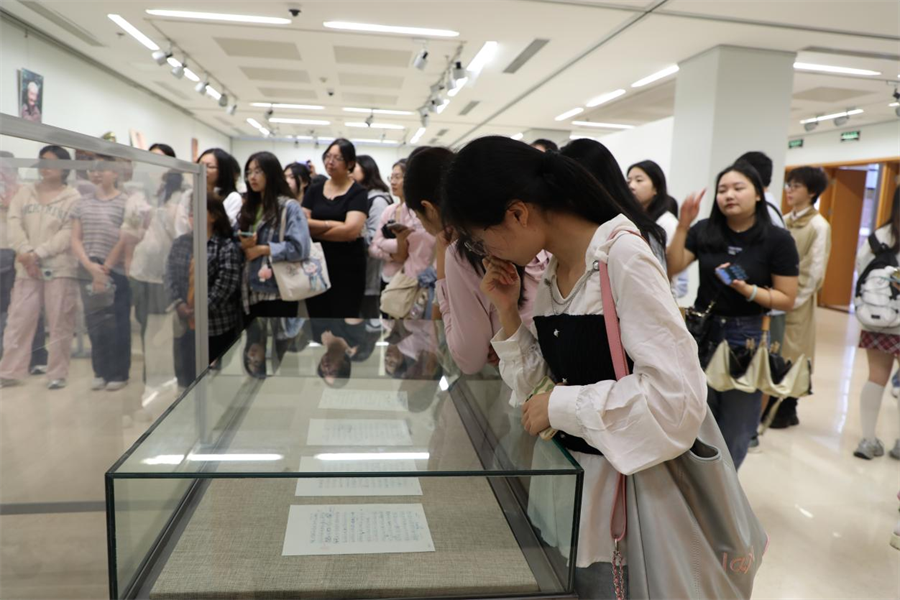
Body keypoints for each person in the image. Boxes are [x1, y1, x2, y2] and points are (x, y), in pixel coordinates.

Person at [440, 137, 706, 599]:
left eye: (481, 239)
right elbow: (539, 394)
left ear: (517, 213)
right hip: (567, 499)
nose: (485, 253)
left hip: (620, 514)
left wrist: (559, 406)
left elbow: (676, 401)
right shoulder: (555, 271)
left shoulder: (622, 257)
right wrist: (507, 310)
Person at [667, 162, 799, 468]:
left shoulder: (777, 239)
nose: (729, 195)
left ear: (758, 194)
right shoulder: (704, 230)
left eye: (738, 188)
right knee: (697, 419)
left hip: (746, 336)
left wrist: (747, 290)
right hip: (702, 332)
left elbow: (787, 298)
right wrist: (683, 224)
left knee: (737, 427)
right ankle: (699, 487)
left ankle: (726, 488)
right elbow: (672, 267)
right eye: (722, 189)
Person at [405, 146, 548, 373]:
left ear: (428, 208)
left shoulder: (460, 252)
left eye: (417, 216)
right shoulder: (524, 234)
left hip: (522, 377)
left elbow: (468, 360)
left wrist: (443, 267)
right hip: (540, 367)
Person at [0, 146, 80, 390]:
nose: (45, 167)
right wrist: (25, 252)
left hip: (59, 267)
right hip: (26, 267)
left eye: (52, 162)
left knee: (60, 322)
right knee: (19, 320)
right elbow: (14, 223)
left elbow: (68, 233)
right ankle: (10, 371)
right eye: (42, 161)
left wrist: (38, 253)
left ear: (64, 167)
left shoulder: (73, 197)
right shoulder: (25, 192)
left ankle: (57, 373)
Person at [123, 143, 190, 390]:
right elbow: (129, 234)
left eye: (159, 159)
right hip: (141, 272)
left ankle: (176, 379)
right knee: (146, 329)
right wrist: (128, 265)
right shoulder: (139, 195)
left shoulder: (183, 194)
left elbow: (183, 232)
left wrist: (165, 213)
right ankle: (151, 380)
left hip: (170, 274)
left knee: (171, 329)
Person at [769, 166, 832, 430]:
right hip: (776, 300)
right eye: (789, 185)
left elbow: (814, 272)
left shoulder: (819, 226)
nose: (790, 190)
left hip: (798, 303)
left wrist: (790, 299)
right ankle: (771, 404)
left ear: (812, 192)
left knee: (795, 353)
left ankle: (788, 408)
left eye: (796, 186)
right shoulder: (784, 219)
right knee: (775, 351)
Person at [166, 199, 244, 387]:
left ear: (214, 216)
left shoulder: (225, 246)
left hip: (216, 325)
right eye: (191, 213)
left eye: (198, 212)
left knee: (216, 384)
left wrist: (201, 309)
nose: (192, 217)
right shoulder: (181, 243)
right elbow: (169, 276)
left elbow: (225, 285)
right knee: (186, 380)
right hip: (185, 324)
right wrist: (179, 304)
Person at [71, 155, 132, 391]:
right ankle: (100, 371)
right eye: (92, 170)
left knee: (117, 321)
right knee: (95, 322)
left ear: (115, 173)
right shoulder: (82, 203)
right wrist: (89, 265)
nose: (96, 174)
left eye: (102, 169)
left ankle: (119, 373)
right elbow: (76, 238)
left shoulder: (126, 202)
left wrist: (106, 266)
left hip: (116, 269)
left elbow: (125, 237)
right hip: (88, 268)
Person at [237, 151, 311, 322]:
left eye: (258, 171)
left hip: (278, 290)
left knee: (276, 337)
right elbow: (234, 240)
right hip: (249, 287)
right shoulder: (250, 207)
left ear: (271, 173)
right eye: (249, 172)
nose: (252, 177)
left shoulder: (289, 207)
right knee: (253, 337)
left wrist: (264, 249)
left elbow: (300, 248)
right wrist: (243, 244)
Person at [854, 186, 900, 460]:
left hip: (876, 319)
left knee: (876, 377)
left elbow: (862, 270)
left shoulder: (877, 237)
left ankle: (868, 441)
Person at [302, 139, 368, 318]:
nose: (330, 162)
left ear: (350, 163)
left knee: (345, 320)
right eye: (328, 156)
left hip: (348, 268)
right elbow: (302, 224)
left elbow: (351, 231)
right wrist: (333, 224)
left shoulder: (358, 193)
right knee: (318, 319)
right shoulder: (314, 189)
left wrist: (317, 230)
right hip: (316, 266)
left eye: (337, 158)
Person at [370, 158, 436, 316]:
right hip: (391, 278)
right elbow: (374, 245)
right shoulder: (390, 210)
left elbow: (413, 246)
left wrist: (389, 244)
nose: (393, 182)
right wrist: (395, 253)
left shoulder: (418, 212)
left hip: (415, 280)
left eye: (398, 177)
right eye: (391, 177)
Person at [626, 159, 689, 297]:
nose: (631, 186)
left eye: (639, 180)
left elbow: (673, 269)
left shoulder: (668, 223)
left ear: (656, 188)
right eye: (628, 181)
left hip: (659, 297)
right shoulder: (630, 220)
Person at [351, 155, 393, 318]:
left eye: (354, 167)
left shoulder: (377, 200)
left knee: (370, 319)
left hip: (372, 272)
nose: (349, 171)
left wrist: (352, 231)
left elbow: (375, 238)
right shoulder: (363, 196)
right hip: (363, 269)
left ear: (366, 169)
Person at [198, 148, 242, 225]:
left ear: (222, 170)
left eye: (209, 166)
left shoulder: (233, 197)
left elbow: (226, 225)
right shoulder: (192, 193)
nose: (202, 170)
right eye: (200, 165)